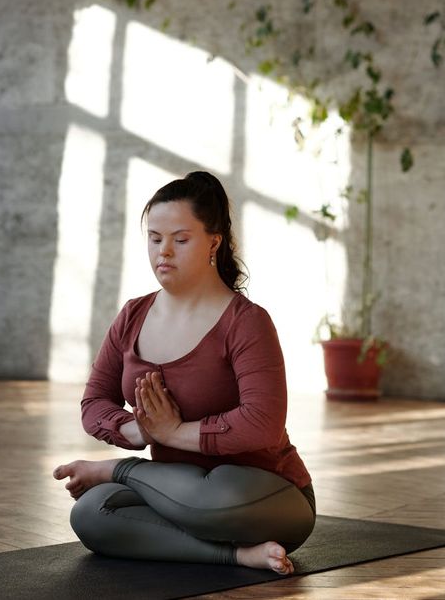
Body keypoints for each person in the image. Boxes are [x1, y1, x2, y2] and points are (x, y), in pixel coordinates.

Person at [53, 171, 315, 574]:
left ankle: (119, 471)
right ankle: (236, 555)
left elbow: (261, 424)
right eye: (155, 239)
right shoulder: (133, 315)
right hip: (171, 489)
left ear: (214, 242)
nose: (165, 253)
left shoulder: (246, 322)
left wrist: (170, 435)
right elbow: (94, 402)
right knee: (91, 512)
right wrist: (138, 431)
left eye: (180, 239)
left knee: (215, 492)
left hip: (258, 494)